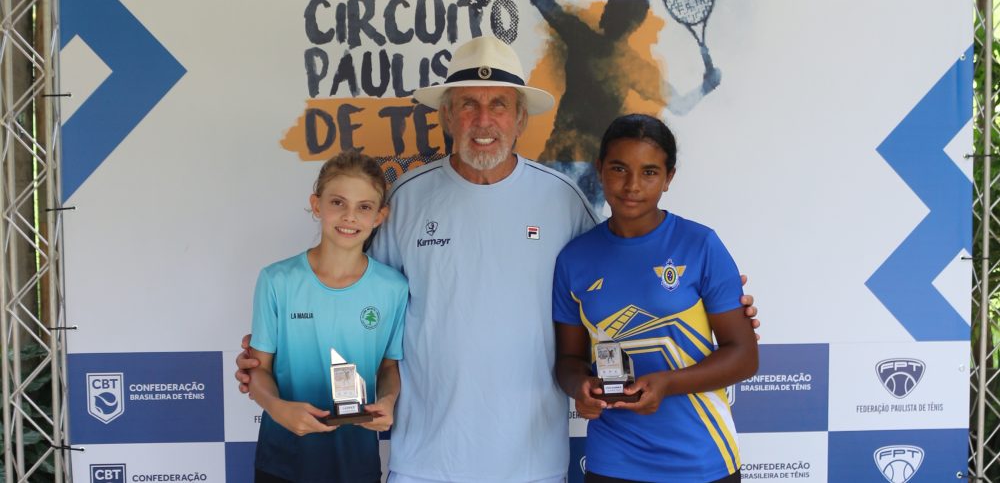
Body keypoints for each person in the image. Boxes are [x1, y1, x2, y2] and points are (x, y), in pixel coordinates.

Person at [237, 35, 757, 482]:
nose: (483, 121)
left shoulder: (563, 200)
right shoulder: (406, 199)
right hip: (425, 458)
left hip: (533, 459)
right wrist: (282, 346)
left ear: (521, 117)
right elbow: (363, 296)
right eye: (468, 104)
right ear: (446, 114)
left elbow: (614, 275)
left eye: (499, 105)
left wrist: (717, 306)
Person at [553, 114, 757, 483]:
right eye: (619, 168)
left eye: (649, 172)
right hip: (613, 457)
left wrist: (667, 384)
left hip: (701, 456)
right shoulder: (574, 258)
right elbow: (569, 359)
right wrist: (579, 387)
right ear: (600, 169)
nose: (632, 185)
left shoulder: (700, 245)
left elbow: (744, 356)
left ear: (668, 177)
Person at [248, 152, 407, 483]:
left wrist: (388, 400)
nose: (350, 216)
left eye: (364, 207)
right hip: (284, 461)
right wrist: (278, 408)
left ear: (380, 216)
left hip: (356, 463)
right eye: (338, 202)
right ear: (317, 205)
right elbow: (258, 369)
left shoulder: (393, 288)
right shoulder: (277, 280)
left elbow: (388, 368)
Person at [523, 0, 722, 209]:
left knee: (542, 222)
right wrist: (706, 87)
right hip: (586, 166)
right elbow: (680, 105)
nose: (607, 14)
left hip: (566, 159)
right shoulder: (633, 67)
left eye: (612, 10)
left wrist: (706, 86)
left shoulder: (581, 36)